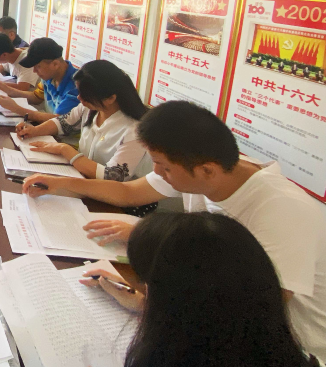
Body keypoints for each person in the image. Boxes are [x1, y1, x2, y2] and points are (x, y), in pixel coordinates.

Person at [23, 101, 326, 360]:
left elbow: (253, 308)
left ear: (207, 170)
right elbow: (128, 193)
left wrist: (148, 303)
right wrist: (60, 183)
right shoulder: (205, 169)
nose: (157, 173)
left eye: (163, 167)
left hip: (286, 348)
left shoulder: (284, 211)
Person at [82, 213, 321, 367]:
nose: (144, 290)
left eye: (149, 284)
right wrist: (143, 303)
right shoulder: (275, 347)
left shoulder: (174, 356)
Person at [16, 60, 154, 213]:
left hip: (121, 202)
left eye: (86, 95)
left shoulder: (135, 129)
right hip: (85, 184)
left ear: (110, 98)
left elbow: (112, 177)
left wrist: (65, 150)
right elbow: (63, 122)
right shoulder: (89, 107)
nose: (79, 98)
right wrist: (35, 130)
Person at [0, 37, 79, 121]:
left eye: (38, 66)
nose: (34, 71)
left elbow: (59, 121)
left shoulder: (76, 86)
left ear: (55, 64)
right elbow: (36, 97)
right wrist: (7, 89)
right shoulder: (49, 76)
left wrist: (16, 109)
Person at [0, 33, 43, 102]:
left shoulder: (26, 61)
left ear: (4, 55)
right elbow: (1, 67)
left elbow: (22, 88)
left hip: (30, 103)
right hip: (16, 99)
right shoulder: (11, 55)